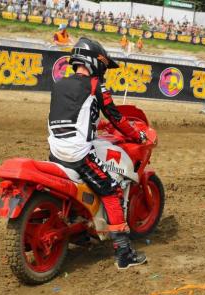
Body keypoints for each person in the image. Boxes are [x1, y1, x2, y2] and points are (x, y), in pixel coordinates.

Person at [47, 37, 148, 270]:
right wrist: (138, 136)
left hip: (55, 150)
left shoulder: (59, 83)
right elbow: (116, 117)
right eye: (103, 66)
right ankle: (124, 253)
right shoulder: (95, 86)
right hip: (78, 154)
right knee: (110, 190)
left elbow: (74, 116)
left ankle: (81, 227)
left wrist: (96, 126)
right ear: (96, 63)